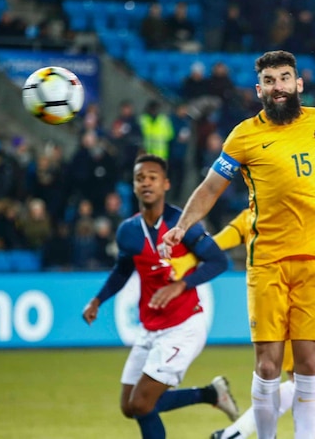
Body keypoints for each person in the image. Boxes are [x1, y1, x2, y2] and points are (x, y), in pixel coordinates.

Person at [161, 50, 315, 439]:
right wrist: (182, 225)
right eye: (269, 81)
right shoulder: (244, 135)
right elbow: (211, 187)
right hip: (267, 262)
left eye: (285, 78)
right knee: (267, 366)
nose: (278, 87)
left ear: (298, 84)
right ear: (259, 90)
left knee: (309, 364)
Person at [167, 201, 315, 439]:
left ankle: (233, 433)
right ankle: (235, 433)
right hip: (285, 305)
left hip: (299, 299)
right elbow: (216, 244)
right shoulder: (257, 215)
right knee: (311, 383)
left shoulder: (285, 207)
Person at [81, 154, 238, 439]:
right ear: (134, 185)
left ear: (165, 184)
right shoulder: (128, 231)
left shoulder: (182, 224)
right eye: (140, 178)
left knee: (142, 403)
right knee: (130, 406)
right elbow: (122, 270)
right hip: (151, 327)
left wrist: (182, 285)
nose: (146, 183)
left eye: (152, 177)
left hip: (183, 326)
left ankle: (209, 394)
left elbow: (218, 262)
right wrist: (97, 300)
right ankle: (209, 394)